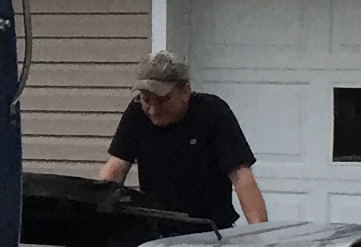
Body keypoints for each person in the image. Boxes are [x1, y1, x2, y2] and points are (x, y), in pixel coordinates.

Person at [97, 50, 268, 229]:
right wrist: (95, 207)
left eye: (162, 100)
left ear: (185, 91)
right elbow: (116, 167)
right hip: (156, 230)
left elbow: (241, 176)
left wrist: (259, 233)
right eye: (146, 99)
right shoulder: (136, 112)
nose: (153, 110)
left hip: (208, 229)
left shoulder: (212, 113)